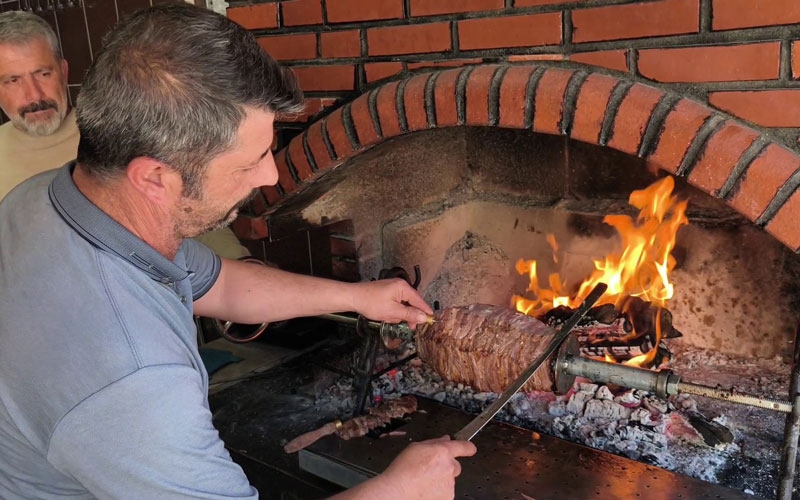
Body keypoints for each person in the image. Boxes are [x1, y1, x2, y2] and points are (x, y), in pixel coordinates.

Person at [0, 4, 476, 500]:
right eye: (252, 162)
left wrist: (358, 297)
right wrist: (401, 490)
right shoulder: (135, 380)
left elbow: (222, 284)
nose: (271, 177)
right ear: (156, 178)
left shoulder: (50, 199)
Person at [0, 9, 249, 261]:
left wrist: (238, 264)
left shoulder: (118, 132)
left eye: (43, 74)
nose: (34, 95)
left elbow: (184, 210)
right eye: (12, 80)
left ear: (63, 72)